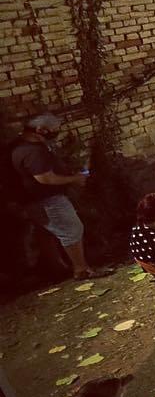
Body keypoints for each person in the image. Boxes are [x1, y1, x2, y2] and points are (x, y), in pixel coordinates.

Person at [10, 113, 94, 278]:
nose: (56, 133)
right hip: (48, 201)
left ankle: (57, 268)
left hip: (33, 201)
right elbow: (45, 178)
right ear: (41, 129)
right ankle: (81, 269)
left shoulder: (19, 145)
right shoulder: (32, 151)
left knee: (48, 233)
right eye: (54, 129)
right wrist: (75, 179)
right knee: (72, 230)